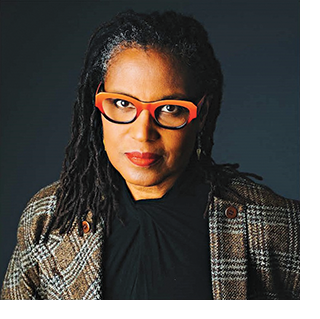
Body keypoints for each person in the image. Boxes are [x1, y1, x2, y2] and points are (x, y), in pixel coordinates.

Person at [1, 10, 299, 300]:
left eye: (169, 108)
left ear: (202, 113)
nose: (143, 133)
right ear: (97, 105)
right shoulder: (48, 220)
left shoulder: (277, 225)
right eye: (122, 103)